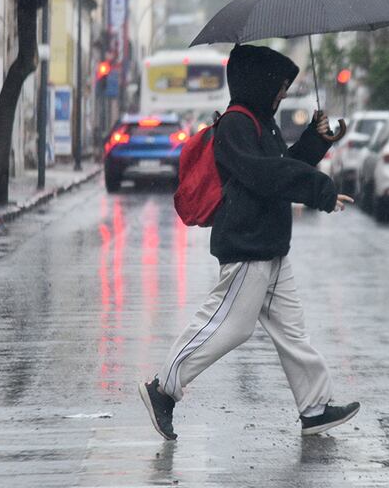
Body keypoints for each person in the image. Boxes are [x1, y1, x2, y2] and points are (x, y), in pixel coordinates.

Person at [139, 44, 358, 440]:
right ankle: (163, 389)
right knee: (228, 326)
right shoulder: (237, 124)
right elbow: (264, 175)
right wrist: (321, 192)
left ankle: (316, 408)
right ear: (260, 83)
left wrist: (315, 140)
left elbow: (282, 164)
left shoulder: (261, 122)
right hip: (248, 244)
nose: (284, 93)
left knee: (292, 332)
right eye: (280, 86)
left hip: (270, 244)